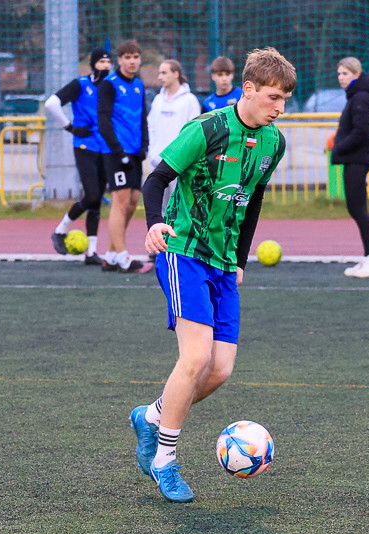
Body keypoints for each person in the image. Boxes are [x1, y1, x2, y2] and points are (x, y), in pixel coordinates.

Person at [132, 47, 296, 502]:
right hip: (183, 251)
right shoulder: (207, 128)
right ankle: (164, 460)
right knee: (195, 358)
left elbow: (253, 200)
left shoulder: (274, 142)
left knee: (220, 370)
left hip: (224, 263)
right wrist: (154, 224)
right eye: (272, 97)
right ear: (248, 89)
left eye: (284, 99)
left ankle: (150, 417)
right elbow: (155, 179)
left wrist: (239, 260)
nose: (279, 108)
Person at [46, 48, 112, 265]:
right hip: (85, 146)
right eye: (102, 61)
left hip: (106, 147)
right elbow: (52, 103)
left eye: (108, 62)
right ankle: (60, 229)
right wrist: (70, 127)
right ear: (93, 64)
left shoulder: (111, 86)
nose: (106, 65)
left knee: (96, 200)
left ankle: (91, 252)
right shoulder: (80, 84)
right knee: (92, 195)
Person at [329, 57, 369, 278]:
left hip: (357, 159)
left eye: (345, 73)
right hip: (353, 158)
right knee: (355, 208)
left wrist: (339, 146)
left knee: (358, 209)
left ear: (356, 74)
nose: (340, 77)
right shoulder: (356, 97)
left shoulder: (361, 98)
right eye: (339, 74)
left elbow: (362, 132)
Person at [98, 39, 151, 273]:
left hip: (135, 152)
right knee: (120, 202)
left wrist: (144, 147)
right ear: (119, 61)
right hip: (115, 153)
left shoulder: (139, 85)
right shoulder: (109, 84)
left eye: (136, 57)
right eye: (127, 57)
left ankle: (110, 255)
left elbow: (142, 119)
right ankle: (123, 257)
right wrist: (118, 151)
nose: (132, 61)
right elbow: (104, 121)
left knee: (131, 202)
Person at [147, 59, 201, 211]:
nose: (159, 77)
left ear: (176, 74)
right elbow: (151, 128)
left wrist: (184, 158)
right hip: (158, 162)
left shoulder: (189, 100)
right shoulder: (158, 100)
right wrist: (153, 153)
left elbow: (194, 133)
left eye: (164, 73)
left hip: (180, 165)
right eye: (159, 73)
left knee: (180, 209)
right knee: (159, 209)